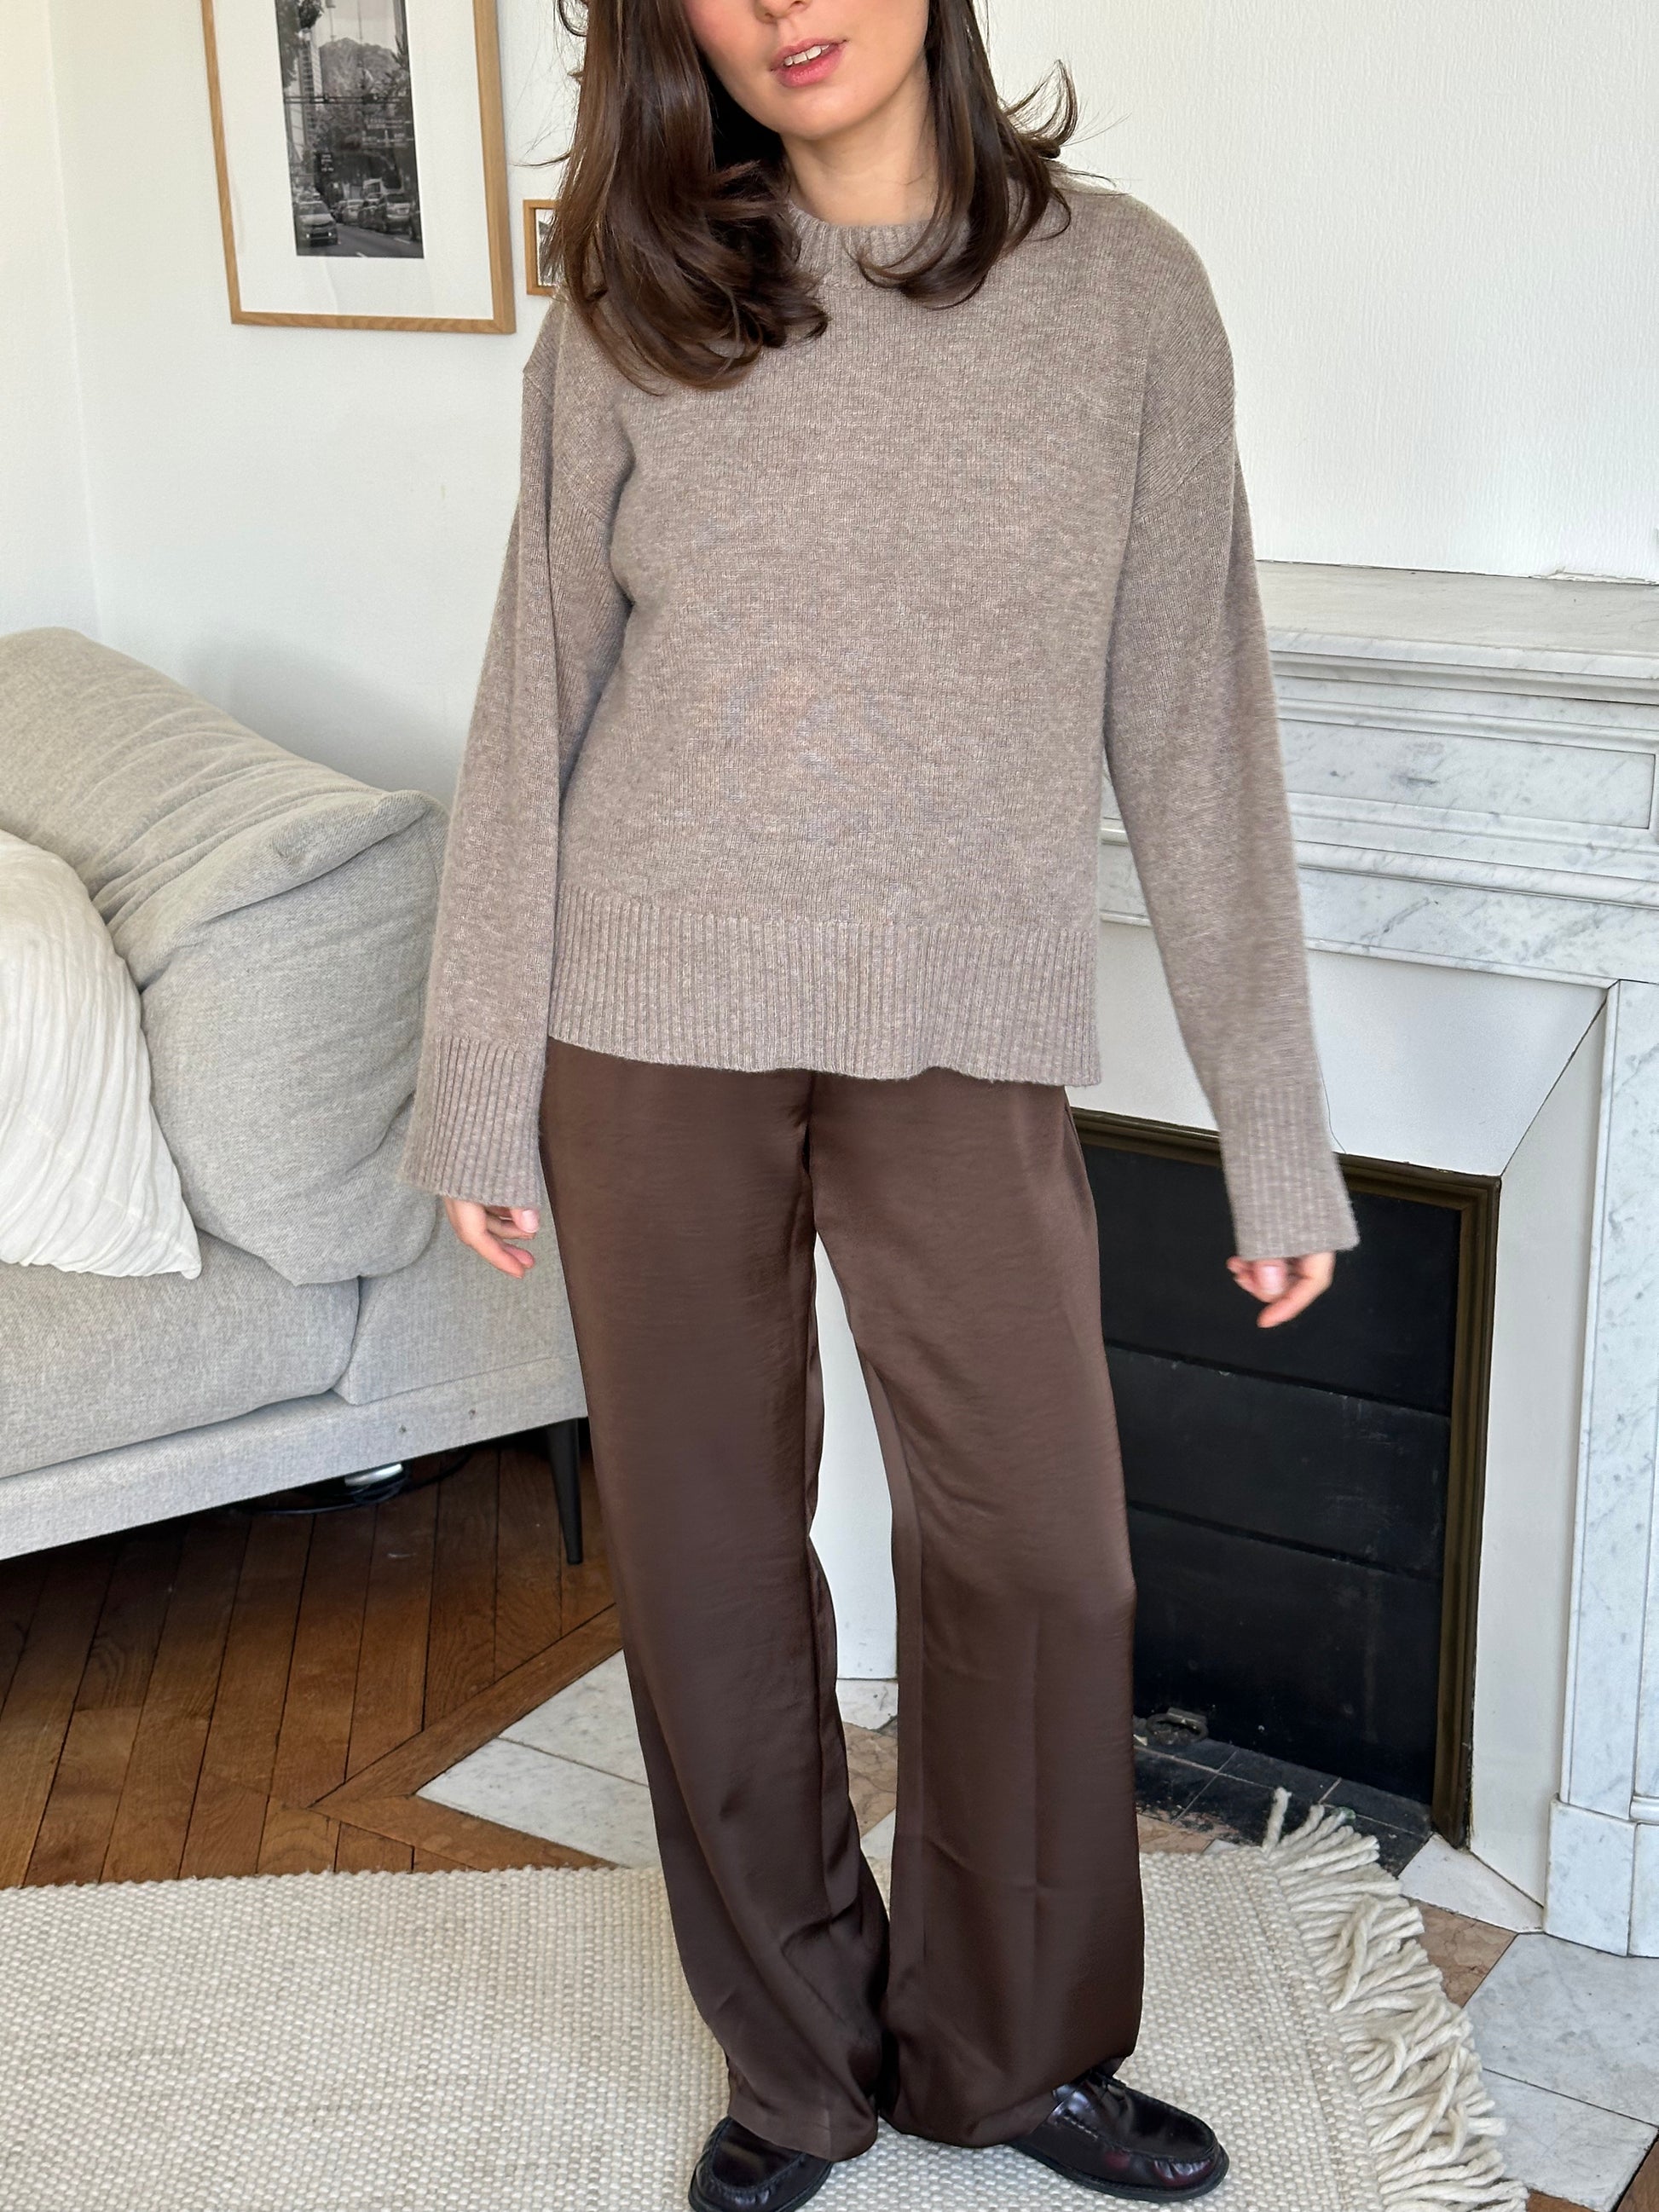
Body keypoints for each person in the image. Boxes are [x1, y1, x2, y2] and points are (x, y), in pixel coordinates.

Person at [397, 1, 1360, 2203]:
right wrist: (475, 1083)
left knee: (1043, 1553)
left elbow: (1194, 722)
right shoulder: (630, 304)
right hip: (645, 1022)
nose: (781, 9)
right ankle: (798, 2068)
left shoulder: (1125, 298)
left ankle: (1008, 2056)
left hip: (962, 1022)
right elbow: (533, 692)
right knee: (712, 1565)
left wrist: (1273, 1125)